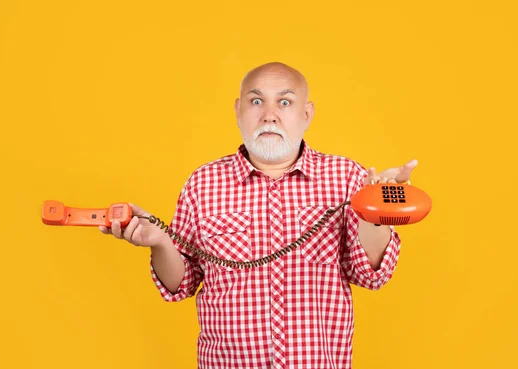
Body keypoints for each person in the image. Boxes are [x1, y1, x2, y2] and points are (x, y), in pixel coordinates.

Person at [99, 62, 417, 369]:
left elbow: (372, 275)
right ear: (238, 111)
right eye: (256, 101)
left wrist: (376, 206)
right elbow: (180, 285)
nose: (269, 115)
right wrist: (160, 243)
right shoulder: (203, 183)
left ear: (306, 115)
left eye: (285, 102)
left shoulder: (348, 178)